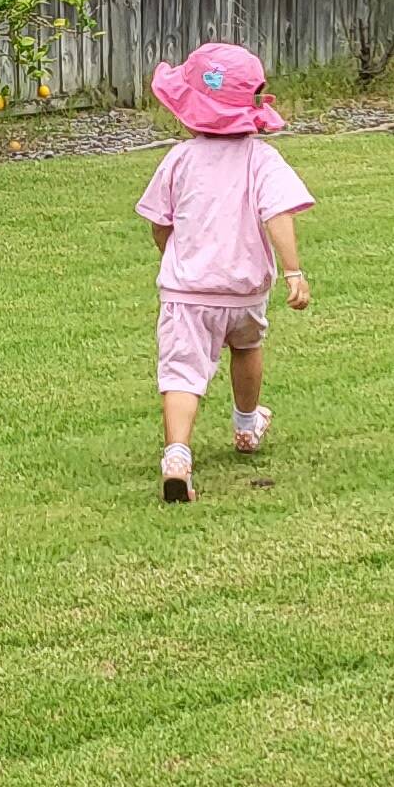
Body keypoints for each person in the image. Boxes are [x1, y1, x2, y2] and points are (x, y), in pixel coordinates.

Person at [133, 40, 312, 502]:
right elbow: (279, 215)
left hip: (187, 291)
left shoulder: (179, 159)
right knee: (247, 345)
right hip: (244, 292)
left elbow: (160, 221)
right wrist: (293, 272)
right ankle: (247, 425)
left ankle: (177, 455)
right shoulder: (262, 160)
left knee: (181, 373)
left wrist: (169, 253)